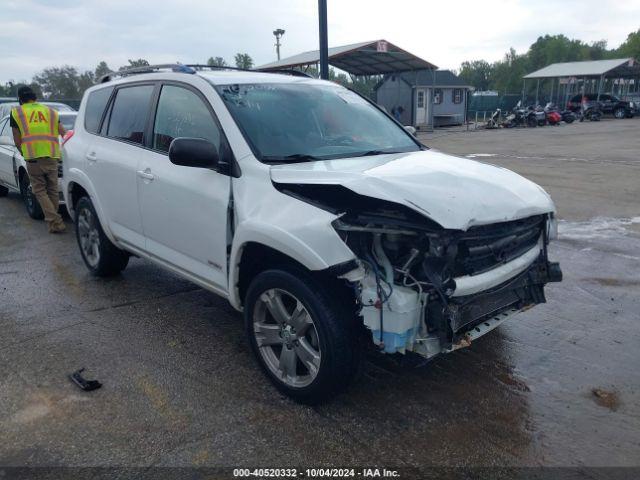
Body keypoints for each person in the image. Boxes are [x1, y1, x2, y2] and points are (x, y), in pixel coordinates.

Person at [10, 86, 66, 233]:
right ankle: (54, 225)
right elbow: (63, 133)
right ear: (35, 97)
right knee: (53, 190)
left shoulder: (17, 113)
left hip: (33, 158)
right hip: (52, 156)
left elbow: (17, 140)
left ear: (20, 99)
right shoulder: (51, 112)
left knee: (39, 191)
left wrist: (24, 153)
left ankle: (56, 221)